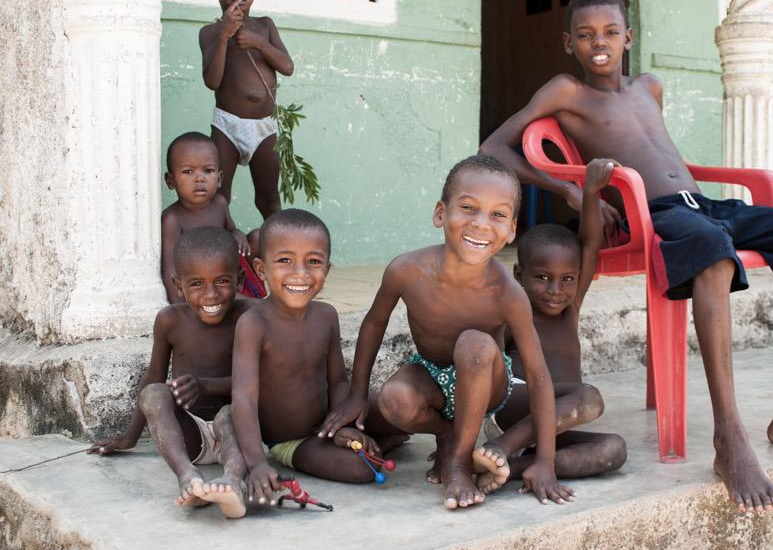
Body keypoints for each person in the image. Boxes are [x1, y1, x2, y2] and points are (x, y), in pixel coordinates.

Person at [479, 0, 773, 514]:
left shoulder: (650, 87)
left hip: (705, 204)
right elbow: (493, 147)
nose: (600, 43)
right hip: (652, 216)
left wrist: (707, 204)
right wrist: (568, 188)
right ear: (568, 42)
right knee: (710, 248)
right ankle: (730, 438)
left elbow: (663, 155)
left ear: (628, 38)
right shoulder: (565, 92)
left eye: (611, 33)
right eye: (587, 35)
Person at [320, 156, 573, 510]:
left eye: (498, 215)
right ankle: (447, 432)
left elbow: (537, 374)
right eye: (468, 207)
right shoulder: (406, 270)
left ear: (512, 230)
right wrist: (358, 392)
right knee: (394, 398)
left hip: (488, 380)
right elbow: (374, 323)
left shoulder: (508, 294)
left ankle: (458, 461)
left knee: (473, 343)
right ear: (441, 213)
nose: (481, 224)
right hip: (431, 374)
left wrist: (545, 460)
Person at [231, 209, 407, 507]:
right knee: (363, 468)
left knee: (403, 408)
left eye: (313, 261)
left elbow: (337, 380)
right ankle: (374, 446)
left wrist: (340, 425)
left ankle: (380, 439)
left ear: (328, 269)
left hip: (328, 419)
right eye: (285, 260)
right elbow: (244, 399)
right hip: (292, 440)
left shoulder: (327, 316)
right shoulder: (253, 324)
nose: (300, 273)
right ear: (261, 270)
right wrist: (257, 463)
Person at [479, 159, 627, 495]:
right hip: (514, 410)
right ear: (520, 276)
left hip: (550, 426)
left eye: (567, 279)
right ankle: (501, 446)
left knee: (614, 449)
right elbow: (483, 370)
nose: (555, 290)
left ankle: (509, 467)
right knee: (589, 397)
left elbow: (590, 246)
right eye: (543, 278)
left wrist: (590, 192)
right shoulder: (514, 312)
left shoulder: (569, 310)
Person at [89, 228, 255, 518]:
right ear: (178, 286)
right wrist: (130, 436)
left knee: (230, 413)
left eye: (222, 281)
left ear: (240, 280)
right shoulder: (169, 321)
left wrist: (207, 387)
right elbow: (154, 375)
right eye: (197, 284)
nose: (211, 294)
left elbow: (258, 381)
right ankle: (188, 478)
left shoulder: (249, 317)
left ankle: (233, 482)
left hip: (236, 427)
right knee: (153, 394)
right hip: (190, 434)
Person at [200, 0, 294, 220]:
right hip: (227, 126)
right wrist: (223, 36)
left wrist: (259, 43)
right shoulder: (209, 32)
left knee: (268, 198)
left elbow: (287, 67)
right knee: (220, 197)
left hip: (265, 127)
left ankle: (276, 256)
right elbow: (212, 81)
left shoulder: (265, 26)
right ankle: (218, 255)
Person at [161, 132, 260, 304]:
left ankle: (257, 297)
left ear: (219, 178)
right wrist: (180, 309)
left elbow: (230, 230)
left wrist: (236, 233)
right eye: (188, 171)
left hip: (230, 275)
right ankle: (250, 305)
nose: (199, 178)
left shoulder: (220, 204)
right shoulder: (172, 218)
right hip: (205, 286)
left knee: (258, 237)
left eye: (208, 170)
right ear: (171, 180)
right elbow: (170, 269)